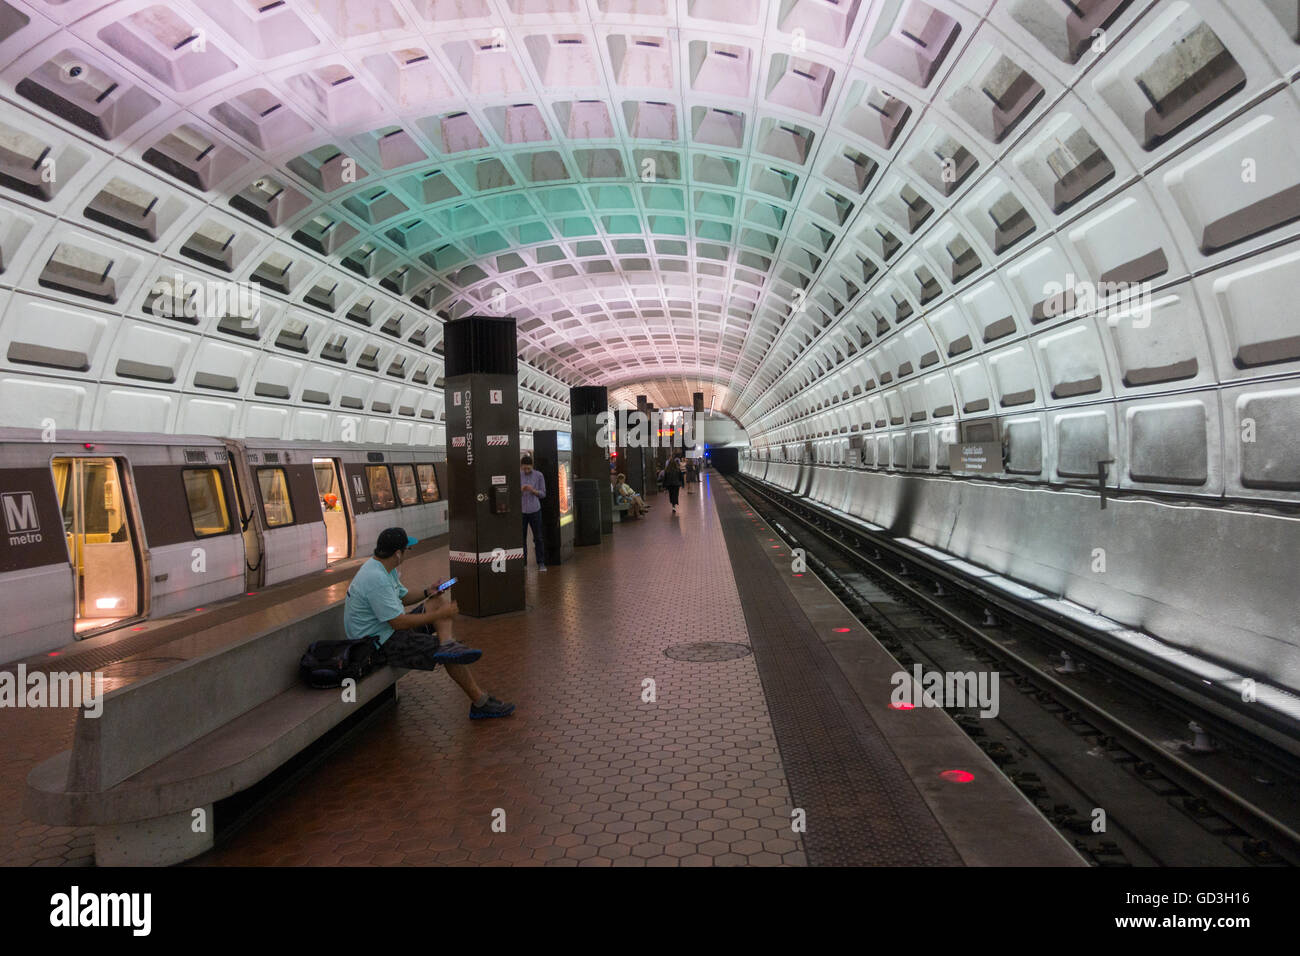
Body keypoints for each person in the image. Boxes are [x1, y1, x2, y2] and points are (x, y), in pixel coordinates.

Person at [344, 527, 514, 719]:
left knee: (436, 601)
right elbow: (398, 623)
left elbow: (404, 596)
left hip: (386, 632)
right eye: (407, 549)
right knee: (447, 651)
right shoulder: (376, 579)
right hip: (376, 645)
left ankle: (448, 643)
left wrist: (428, 591)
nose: (408, 553)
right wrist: (439, 615)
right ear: (398, 554)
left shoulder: (383, 568)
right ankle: (480, 702)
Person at [520, 454, 546, 571]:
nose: (526, 470)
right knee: (521, 538)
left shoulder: (539, 475)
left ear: (532, 466)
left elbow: (543, 493)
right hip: (522, 511)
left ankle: (541, 563)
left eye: (528, 468)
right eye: (524, 468)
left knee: (538, 537)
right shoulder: (518, 475)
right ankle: (523, 563)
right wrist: (520, 490)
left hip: (535, 510)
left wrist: (533, 490)